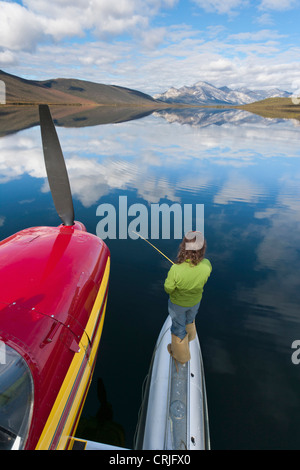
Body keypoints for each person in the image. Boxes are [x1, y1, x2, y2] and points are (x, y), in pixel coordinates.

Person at [164, 231, 212, 364]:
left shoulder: (176, 269)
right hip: (195, 302)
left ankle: (181, 357)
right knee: (190, 320)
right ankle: (190, 337)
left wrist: (178, 269)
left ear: (184, 247)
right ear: (202, 248)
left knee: (178, 328)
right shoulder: (207, 264)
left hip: (178, 304)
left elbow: (168, 289)